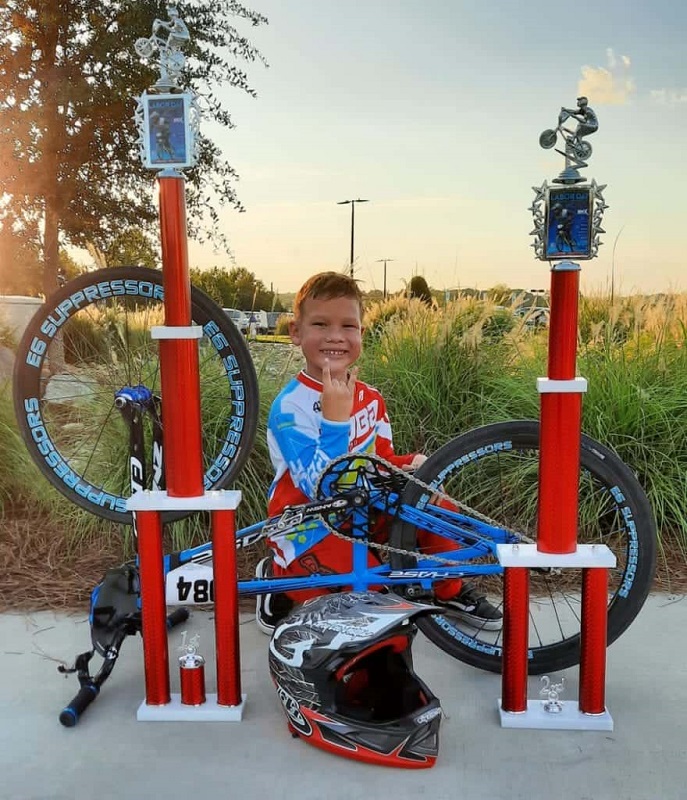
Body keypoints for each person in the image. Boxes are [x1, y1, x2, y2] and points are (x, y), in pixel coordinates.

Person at [255, 271, 502, 633]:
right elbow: (319, 489)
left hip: (363, 513)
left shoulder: (371, 397)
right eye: (320, 324)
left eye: (348, 326)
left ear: (361, 334)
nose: (335, 336)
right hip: (309, 527)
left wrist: (412, 466)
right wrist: (336, 422)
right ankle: (282, 579)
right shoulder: (289, 407)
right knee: (375, 610)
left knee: (433, 504)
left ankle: (448, 587)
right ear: (296, 333)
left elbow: (379, 459)